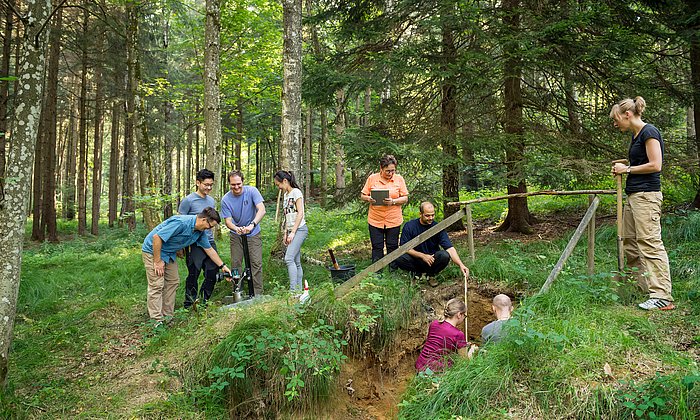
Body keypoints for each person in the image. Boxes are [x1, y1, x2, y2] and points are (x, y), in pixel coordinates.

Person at [610, 96, 674, 311]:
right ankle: (642, 288)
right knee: (630, 242)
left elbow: (656, 164)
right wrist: (626, 165)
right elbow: (642, 161)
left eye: (616, 119)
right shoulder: (636, 135)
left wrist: (626, 169)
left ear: (628, 114)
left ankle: (662, 295)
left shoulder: (649, 131)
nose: (615, 123)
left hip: (647, 196)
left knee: (650, 243)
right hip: (634, 195)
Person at [142, 207, 231, 324]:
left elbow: (209, 249)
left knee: (173, 281)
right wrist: (157, 261)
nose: (209, 229)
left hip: (168, 253)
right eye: (210, 226)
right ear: (204, 220)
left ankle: (167, 317)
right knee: (157, 285)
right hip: (153, 251)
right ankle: (156, 321)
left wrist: (223, 266)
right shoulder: (181, 223)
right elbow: (157, 237)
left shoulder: (200, 232)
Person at [393, 201, 470, 287]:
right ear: (420, 214)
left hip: (432, 260)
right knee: (399, 257)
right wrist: (422, 256)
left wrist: (461, 265)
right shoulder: (409, 226)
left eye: (432, 215)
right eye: (427, 215)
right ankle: (416, 275)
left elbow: (450, 248)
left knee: (444, 255)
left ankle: (430, 275)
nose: (430, 218)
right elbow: (404, 247)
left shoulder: (437, 227)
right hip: (415, 259)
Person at [220, 170, 266, 296]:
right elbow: (228, 221)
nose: (236, 187)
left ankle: (257, 293)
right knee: (236, 263)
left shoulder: (252, 191)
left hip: (253, 232)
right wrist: (236, 229)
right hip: (236, 234)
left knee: (256, 262)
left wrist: (252, 224)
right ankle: (237, 292)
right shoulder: (226, 199)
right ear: (229, 184)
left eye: (238, 184)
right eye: (233, 184)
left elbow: (261, 209)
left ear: (243, 182)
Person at [178, 169, 218, 309]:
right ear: (198, 183)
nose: (208, 187)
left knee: (213, 271)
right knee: (194, 273)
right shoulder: (188, 200)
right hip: (194, 243)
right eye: (206, 184)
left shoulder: (211, 200)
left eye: (211, 185)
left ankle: (204, 301)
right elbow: (180, 222)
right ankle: (189, 303)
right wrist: (181, 246)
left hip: (209, 241)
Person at [360, 154, 409, 263]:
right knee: (377, 246)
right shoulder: (372, 178)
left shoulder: (399, 179)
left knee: (392, 246)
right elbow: (363, 195)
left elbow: (405, 198)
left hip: (393, 219)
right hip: (375, 219)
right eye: (388, 171)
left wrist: (393, 201)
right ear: (381, 169)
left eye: (393, 171)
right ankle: (377, 273)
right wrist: (369, 199)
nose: (391, 173)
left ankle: (393, 270)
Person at [415, 298, 476, 372]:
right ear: (459, 315)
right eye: (464, 316)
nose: (464, 318)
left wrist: (463, 344)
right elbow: (464, 362)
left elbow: (437, 344)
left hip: (421, 366)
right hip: (437, 371)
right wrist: (472, 351)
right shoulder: (458, 334)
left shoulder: (434, 324)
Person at [274, 170, 308, 294]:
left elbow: (300, 213)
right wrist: (286, 233)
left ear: (285, 181)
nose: (278, 187)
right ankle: (298, 291)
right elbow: (287, 216)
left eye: (279, 185)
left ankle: (293, 291)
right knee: (296, 261)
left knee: (288, 259)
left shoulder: (296, 192)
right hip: (290, 230)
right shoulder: (286, 195)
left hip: (300, 229)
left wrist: (293, 232)